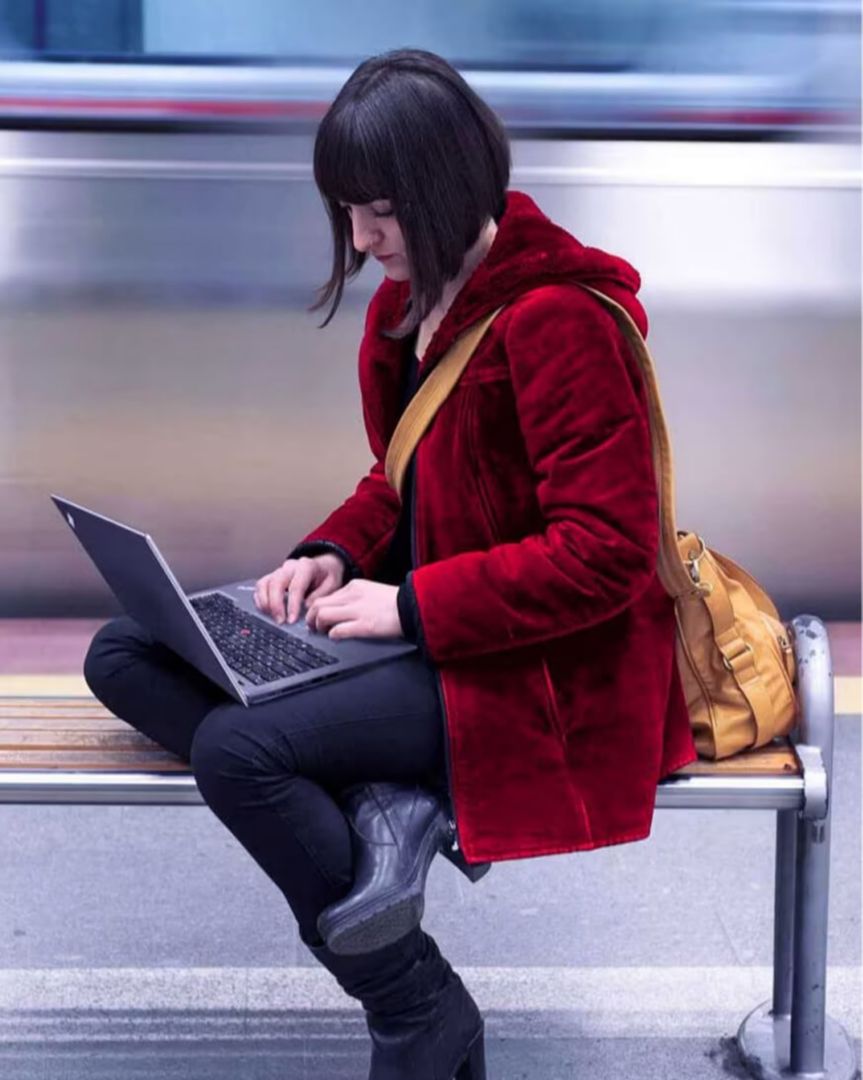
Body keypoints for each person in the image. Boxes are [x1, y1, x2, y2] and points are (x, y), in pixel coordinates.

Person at [83, 47, 698, 1080]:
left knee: (241, 753)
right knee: (122, 653)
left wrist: (409, 607)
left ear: (445, 188)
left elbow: (607, 557)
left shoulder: (556, 322)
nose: (362, 241)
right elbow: (398, 477)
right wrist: (327, 555)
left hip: (531, 672)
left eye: (379, 211)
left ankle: (415, 1006)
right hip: (431, 632)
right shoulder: (405, 309)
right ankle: (379, 805)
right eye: (346, 213)